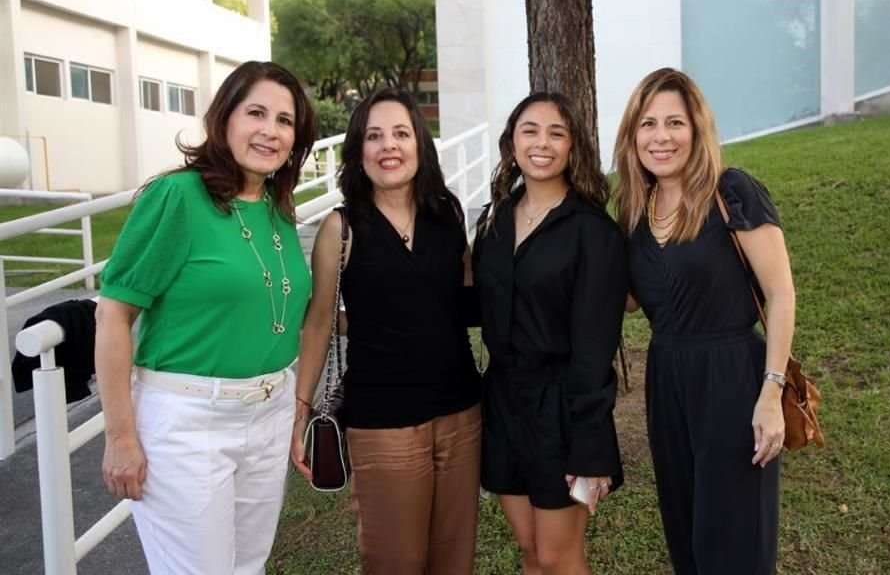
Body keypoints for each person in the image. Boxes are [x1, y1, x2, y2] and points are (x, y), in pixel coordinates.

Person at [95, 61, 318, 575]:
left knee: (247, 566)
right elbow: (113, 314)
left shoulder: (275, 207)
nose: (270, 130)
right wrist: (120, 437)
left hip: (268, 411)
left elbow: (279, 305)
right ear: (225, 118)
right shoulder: (177, 196)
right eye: (256, 113)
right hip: (188, 422)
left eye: (284, 121)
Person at [290, 88, 482, 575]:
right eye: (374, 136)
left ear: (420, 144)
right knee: (396, 562)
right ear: (358, 151)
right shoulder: (343, 228)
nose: (388, 146)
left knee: (453, 562)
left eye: (401, 133)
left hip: (461, 415)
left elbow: (459, 300)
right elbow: (317, 322)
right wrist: (300, 413)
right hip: (383, 424)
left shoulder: (449, 214)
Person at [613, 67, 794, 574]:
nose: (661, 137)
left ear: (697, 129)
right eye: (647, 124)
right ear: (633, 136)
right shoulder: (633, 208)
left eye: (675, 122)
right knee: (686, 533)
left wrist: (771, 392)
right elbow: (628, 301)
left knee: (734, 539)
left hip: (733, 375)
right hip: (667, 377)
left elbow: (781, 294)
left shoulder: (731, 191)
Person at [472, 92, 627, 574]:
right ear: (511, 143)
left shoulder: (593, 232)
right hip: (502, 403)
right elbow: (478, 307)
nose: (542, 143)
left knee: (559, 557)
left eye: (556, 133)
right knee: (530, 553)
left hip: (562, 408)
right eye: (530, 131)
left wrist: (591, 442)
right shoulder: (492, 221)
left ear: (572, 146)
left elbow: (595, 347)